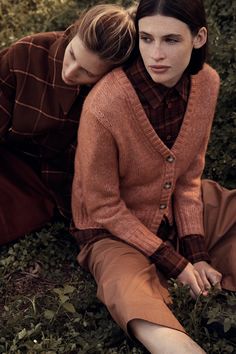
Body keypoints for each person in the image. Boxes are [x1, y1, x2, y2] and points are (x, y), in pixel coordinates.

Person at [71, 0, 236, 353]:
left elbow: (189, 177)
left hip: (177, 204)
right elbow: (103, 206)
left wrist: (199, 253)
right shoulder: (105, 103)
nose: (156, 54)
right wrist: (175, 262)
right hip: (112, 229)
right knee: (127, 289)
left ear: (198, 37)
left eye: (171, 40)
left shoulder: (207, 84)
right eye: (146, 39)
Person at [0, 4, 136, 246]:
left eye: (87, 72)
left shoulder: (112, 97)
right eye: (72, 54)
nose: (71, 72)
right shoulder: (26, 53)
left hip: (43, 185)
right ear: (73, 33)